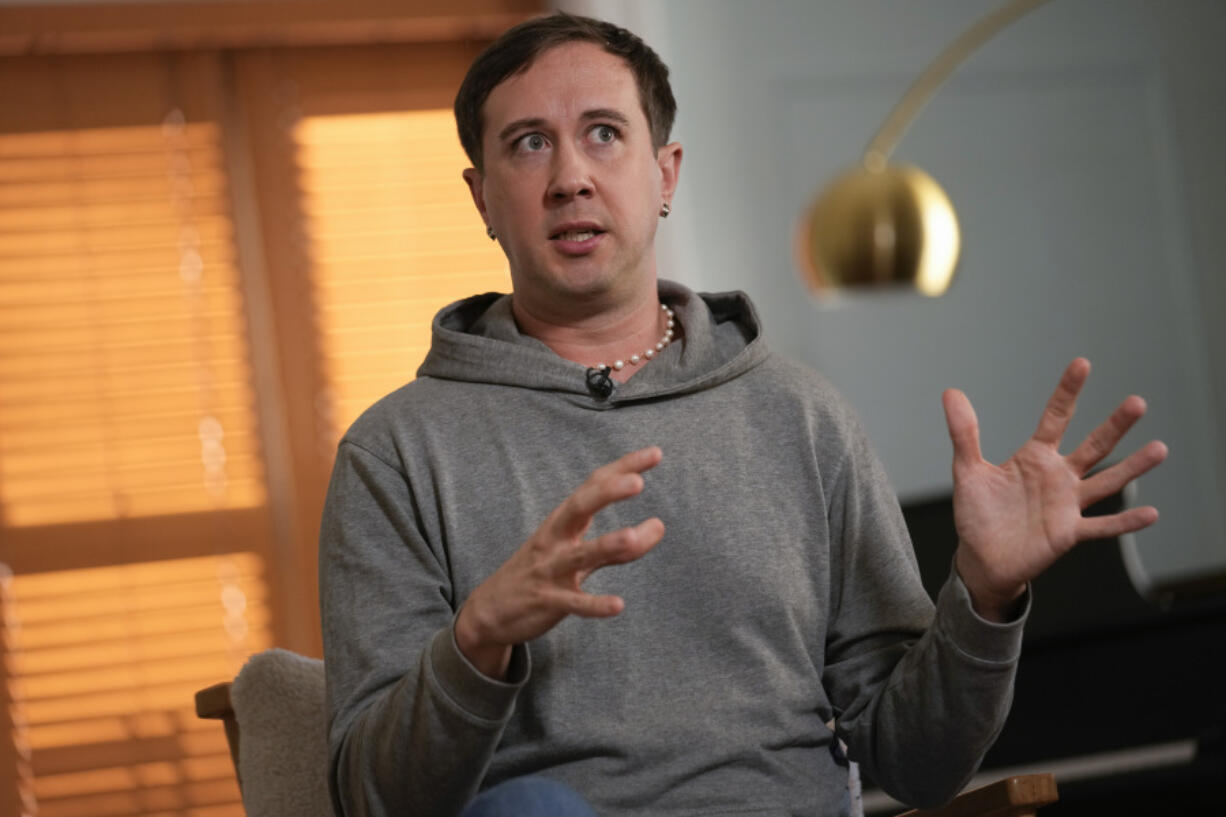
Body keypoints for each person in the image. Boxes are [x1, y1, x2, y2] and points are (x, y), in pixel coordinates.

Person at [318, 13, 1167, 817]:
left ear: (666, 175)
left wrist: (985, 593)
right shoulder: (395, 453)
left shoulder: (799, 415)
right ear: (482, 199)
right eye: (529, 143)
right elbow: (373, 798)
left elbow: (918, 764)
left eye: (605, 133)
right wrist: (475, 642)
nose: (570, 175)